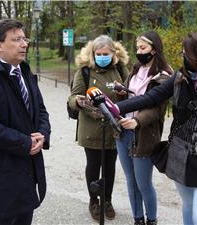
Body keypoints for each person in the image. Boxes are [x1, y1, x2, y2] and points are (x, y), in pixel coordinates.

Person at [100, 32, 197, 225]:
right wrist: (117, 107)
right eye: (183, 53)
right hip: (181, 154)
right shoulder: (179, 77)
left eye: (187, 54)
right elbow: (152, 97)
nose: (184, 58)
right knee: (187, 207)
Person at [0, 19, 51, 225]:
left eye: (24, 38)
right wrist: (25, 142)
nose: (24, 44)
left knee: (24, 217)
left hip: (28, 168)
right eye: (17, 39)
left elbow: (41, 110)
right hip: (2, 169)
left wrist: (43, 134)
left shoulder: (26, 73)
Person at [67, 35, 129, 221]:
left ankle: (107, 200)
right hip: (91, 128)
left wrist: (124, 93)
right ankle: (94, 201)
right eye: (99, 54)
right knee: (93, 166)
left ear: (114, 53)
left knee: (109, 166)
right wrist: (77, 101)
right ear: (93, 53)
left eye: (106, 54)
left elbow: (132, 94)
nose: (102, 57)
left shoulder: (120, 69)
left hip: (113, 126)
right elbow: (73, 97)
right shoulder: (85, 71)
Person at [115, 31, 172, 225]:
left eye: (143, 48)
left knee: (143, 183)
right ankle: (137, 219)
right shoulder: (135, 69)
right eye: (137, 48)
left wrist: (138, 121)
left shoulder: (164, 77)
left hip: (145, 135)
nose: (138, 52)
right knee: (131, 182)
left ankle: (152, 220)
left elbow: (156, 109)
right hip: (123, 132)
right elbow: (129, 98)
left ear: (154, 49)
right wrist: (121, 90)